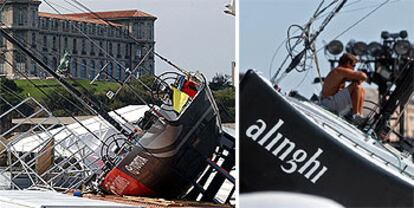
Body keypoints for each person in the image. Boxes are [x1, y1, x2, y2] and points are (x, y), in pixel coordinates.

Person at [320, 53, 367, 123]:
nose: (354, 69)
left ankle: (359, 115)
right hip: (328, 103)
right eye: (353, 65)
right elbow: (363, 76)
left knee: (361, 88)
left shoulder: (341, 73)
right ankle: (356, 115)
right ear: (348, 63)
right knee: (356, 86)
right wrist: (355, 77)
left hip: (332, 102)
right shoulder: (340, 70)